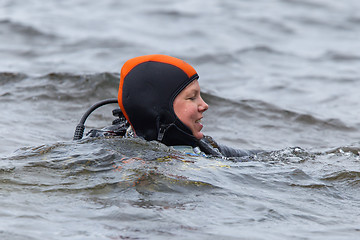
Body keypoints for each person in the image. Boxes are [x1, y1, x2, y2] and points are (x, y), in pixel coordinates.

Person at [117, 54, 260, 158]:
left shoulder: (204, 146)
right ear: (160, 108)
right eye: (192, 97)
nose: (204, 105)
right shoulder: (120, 153)